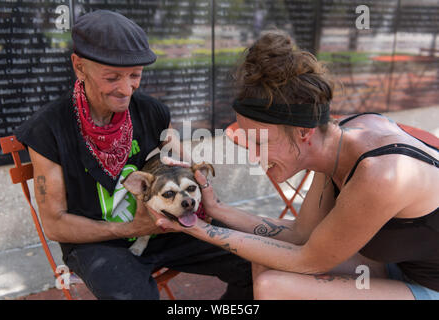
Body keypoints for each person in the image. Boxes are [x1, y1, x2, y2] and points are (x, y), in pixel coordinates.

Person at [152, 31, 439, 300]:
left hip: (429, 287)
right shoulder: (336, 142)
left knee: (273, 284)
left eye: (261, 143)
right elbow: (302, 234)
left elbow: (308, 260)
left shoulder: (381, 174)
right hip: (395, 267)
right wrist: (216, 210)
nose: (253, 156)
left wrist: (198, 230)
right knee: (265, 261)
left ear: (303, 132)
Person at [14, 10, 252, 300]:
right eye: (112, 77)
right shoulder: (49, 128)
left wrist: (191, 175)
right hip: (99, 243)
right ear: (79, 67)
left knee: (254, 259)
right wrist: (132, 227)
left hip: (166, 224)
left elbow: (185, 166)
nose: (126, 89)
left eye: (135, 75)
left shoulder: (151, 111)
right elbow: (55, 223)